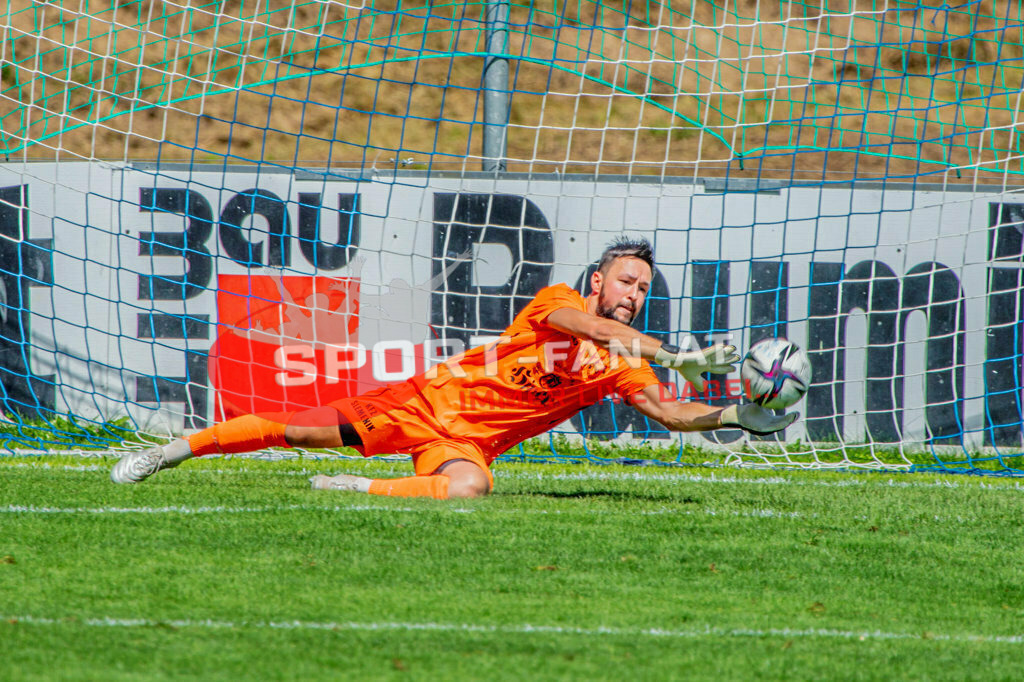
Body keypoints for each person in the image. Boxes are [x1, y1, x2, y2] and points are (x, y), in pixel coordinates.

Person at [111, 238, 797, 498]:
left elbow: (671, 413)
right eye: (626, 281)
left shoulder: (614, 367)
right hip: (416, 404)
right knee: (289, 430)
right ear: (598, 279)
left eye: (643, 288)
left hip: (461, 442)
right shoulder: (558, 303)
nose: (633, 295)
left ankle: (351, 489)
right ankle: (167, 452)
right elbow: (583, 326)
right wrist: (681, 355)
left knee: (470, 489)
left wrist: (737, 414)